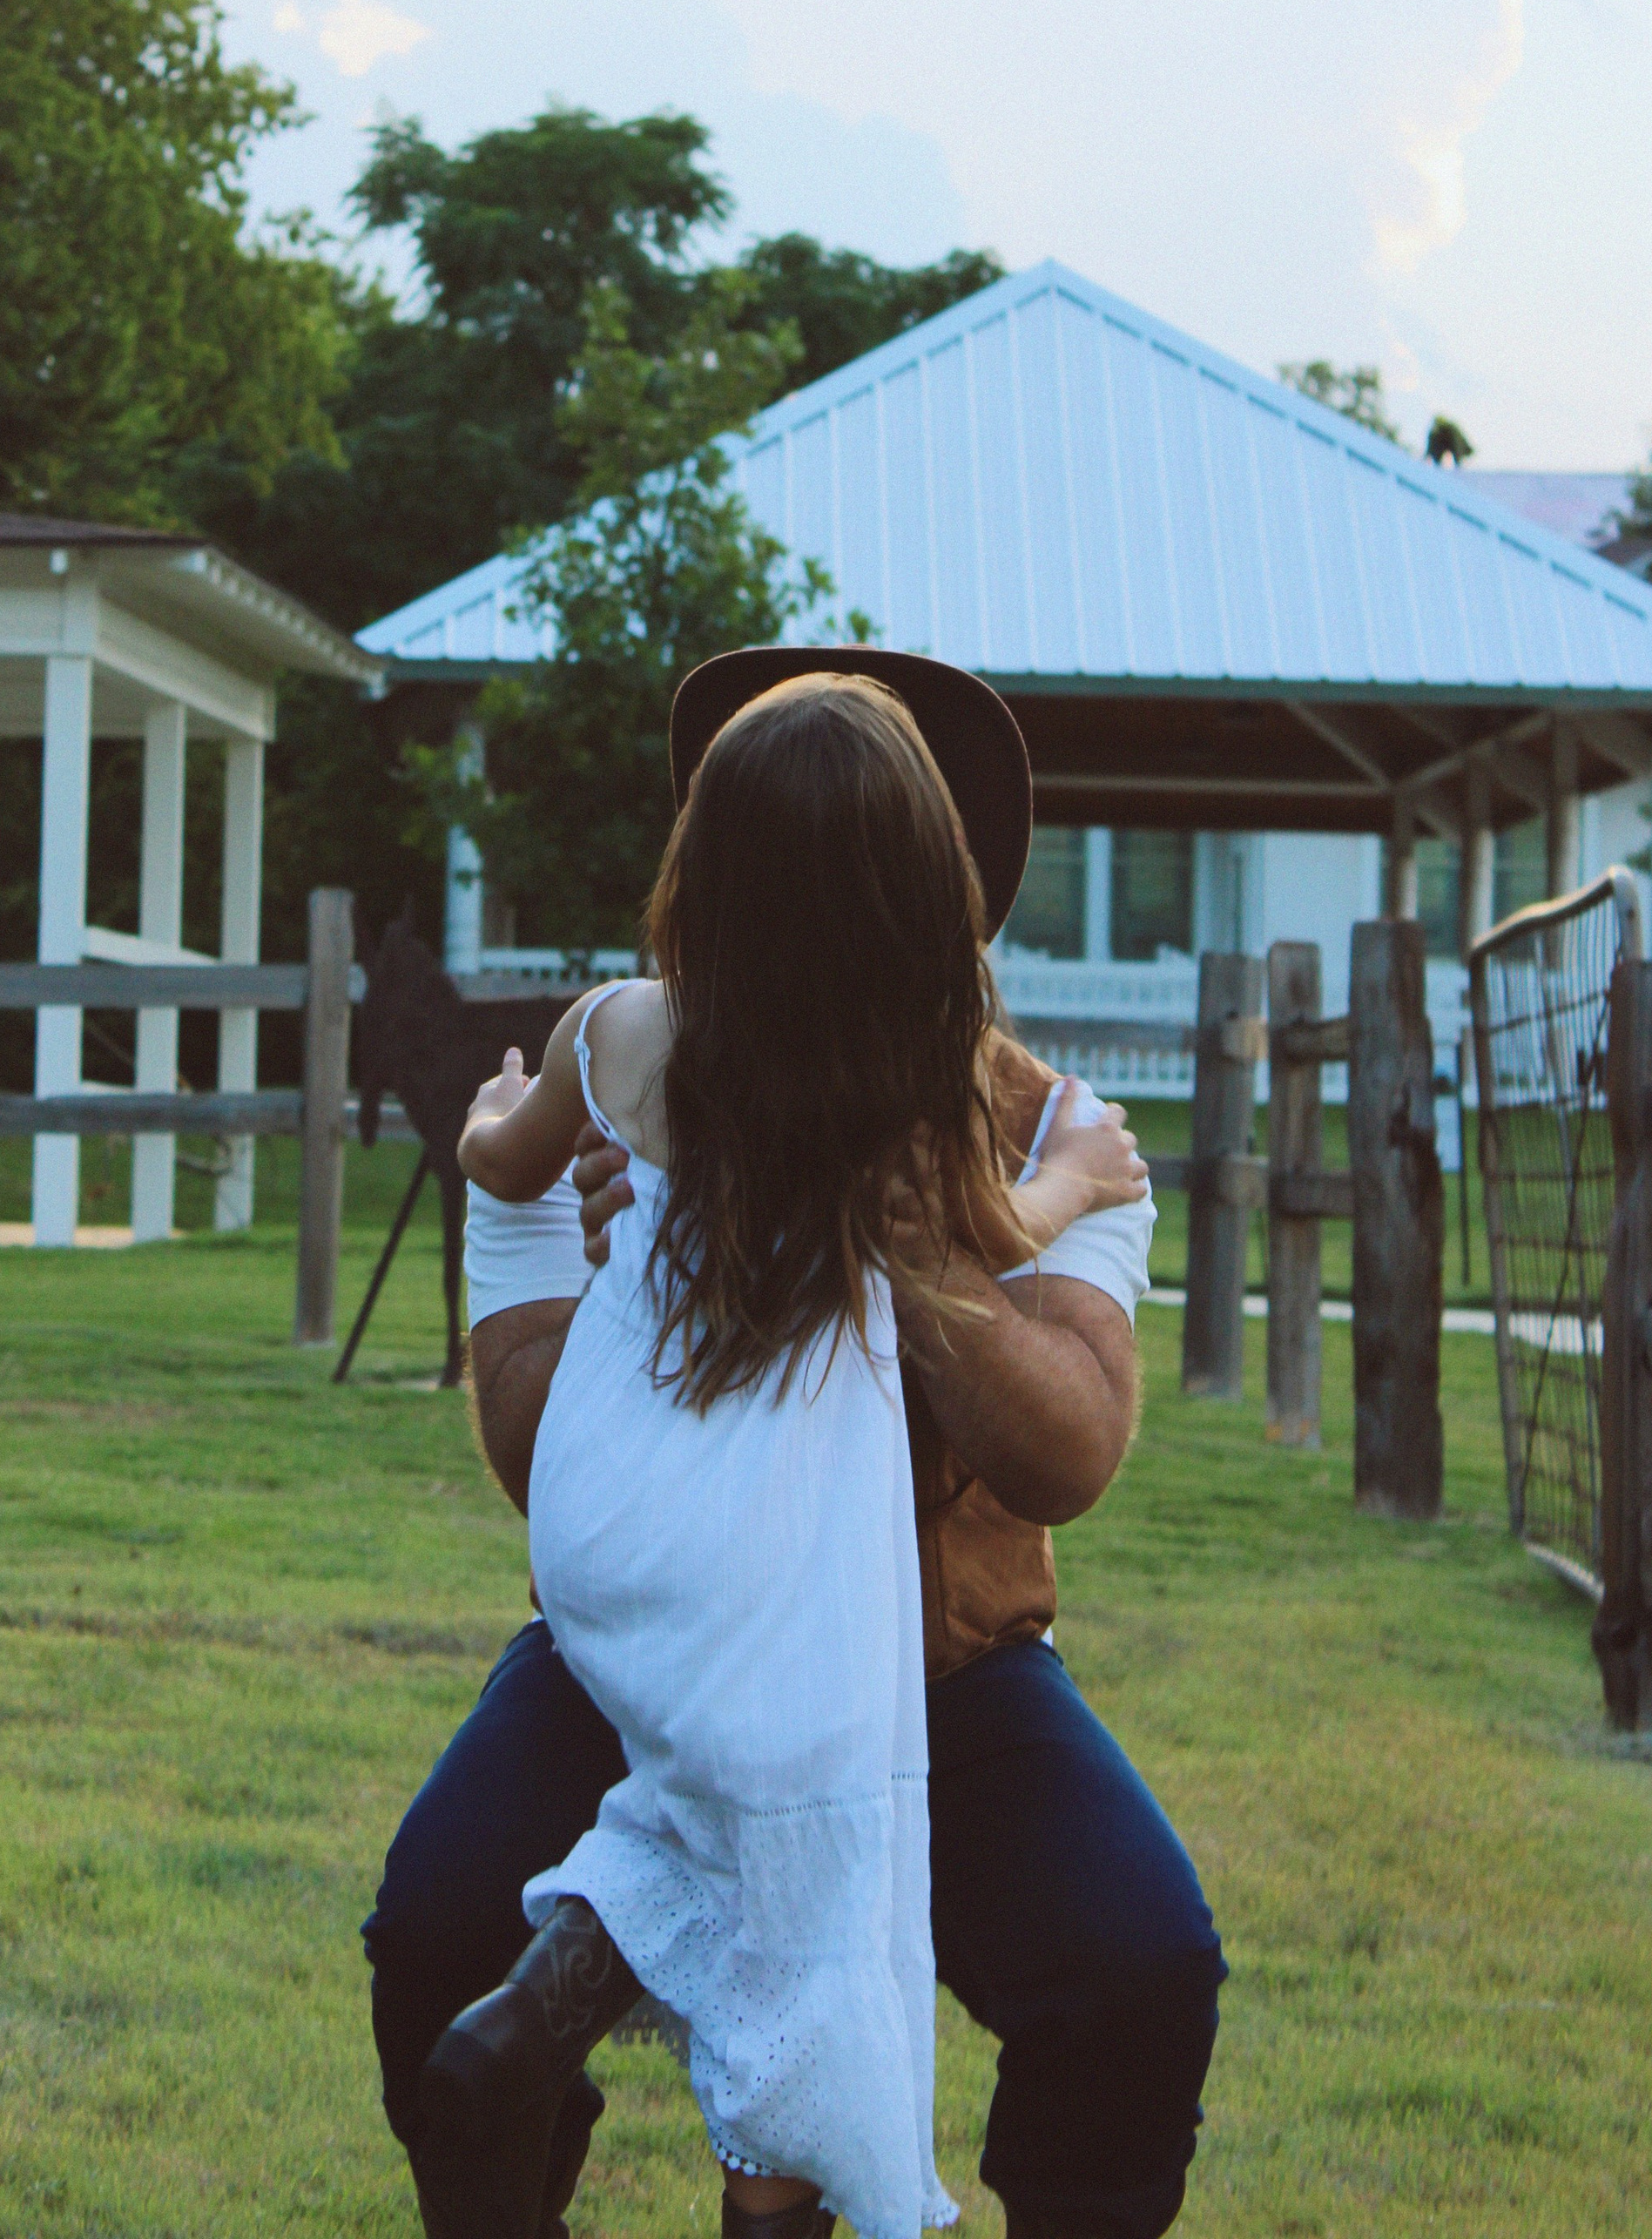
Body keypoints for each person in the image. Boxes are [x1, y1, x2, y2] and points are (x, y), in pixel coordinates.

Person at [366, 646, 1226, 2239]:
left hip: (947, 1670)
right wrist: (635, 1279)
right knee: (435, 1925)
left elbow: (1068, 1456)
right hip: (643, 1655)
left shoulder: (1036, 1119)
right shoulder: (658, 1085)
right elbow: (534, 1428)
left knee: (1137, 1963)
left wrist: (901, 1255)